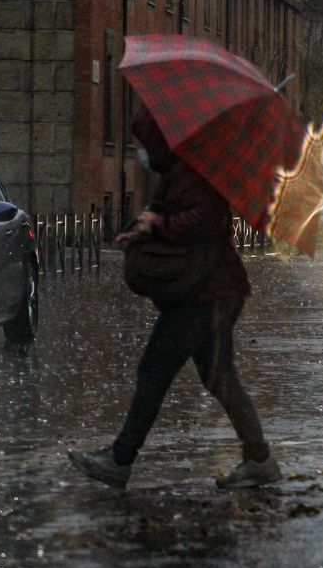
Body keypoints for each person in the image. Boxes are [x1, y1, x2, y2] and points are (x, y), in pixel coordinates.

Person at [68, 110, 279, 490]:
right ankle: (259, 458)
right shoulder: (179, 172)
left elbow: (206, 221)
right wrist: (141, 231)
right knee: (220, 379)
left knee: (155, 371)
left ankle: (119, 460)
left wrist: (157, 226)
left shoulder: (194, 172)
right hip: (210, 292)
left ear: (161, 142)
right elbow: (172, 213)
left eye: (144, 143)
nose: (140, 151)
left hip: (206, 295)